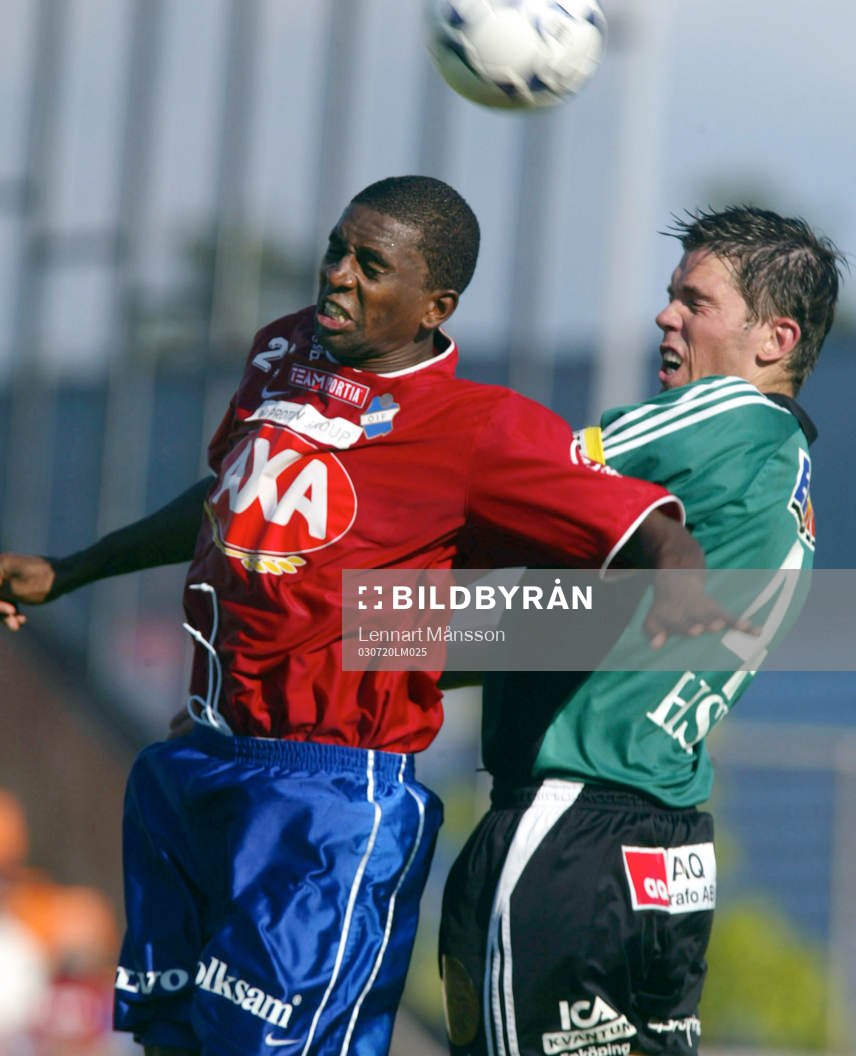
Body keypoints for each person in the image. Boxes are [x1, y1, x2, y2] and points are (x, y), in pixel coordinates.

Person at [0, 175, 730, 1056]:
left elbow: (636, 519)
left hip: (328, 799)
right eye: (336, 250)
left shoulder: (477, 428)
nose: (338, 276)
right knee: (172, 1040)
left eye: (371, 265)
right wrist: (72, 570)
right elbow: (232, 494)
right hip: (200, 763)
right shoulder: (284, 354)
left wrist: (678, 570)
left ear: (435, 305)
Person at [439, 205, 845, 1056]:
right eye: (671, 296)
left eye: (695, 301)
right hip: (668, 854)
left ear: (775, 340)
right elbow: (568, 629)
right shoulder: (783, 488)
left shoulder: (727, 418)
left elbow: (521, 471)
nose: (666, 316)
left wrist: (336, 630)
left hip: (571, 828)